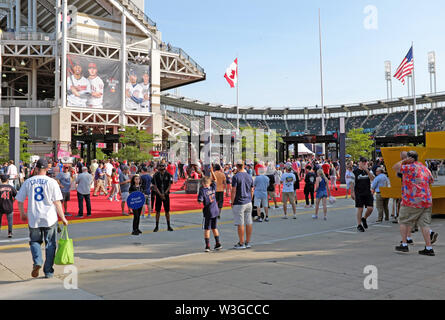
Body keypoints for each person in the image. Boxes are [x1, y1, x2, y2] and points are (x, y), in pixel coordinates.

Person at [16, 159, 68, 279]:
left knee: (34, 241)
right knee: (50, 244)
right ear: (46, 169)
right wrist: (63, 218)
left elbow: (19, 200)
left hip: (34, 217)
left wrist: (23, 213)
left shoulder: (29, 181)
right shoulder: (52, 182)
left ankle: (37, 261)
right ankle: (48, 271)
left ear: (36, 169)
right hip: (49, 217)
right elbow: (57, 202)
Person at [393, 151, 438, 256]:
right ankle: (428, 247)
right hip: (426, 200)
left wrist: (404, 161)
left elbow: (395, 167)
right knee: (424, 224)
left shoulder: (410, 167)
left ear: (410, 158)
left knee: (403, 221)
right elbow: (431, 180)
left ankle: (404, 244)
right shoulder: (424, 168)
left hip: (412, 200)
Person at [231, 160, 254, 249]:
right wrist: (250, 199)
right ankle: (248, 242)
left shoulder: (236, 177)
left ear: (236, 166)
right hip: (248, 201)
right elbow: (252, 189)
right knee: (248, 222)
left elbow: (234, 190)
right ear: (244, 165)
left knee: (240, 223)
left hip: (239, 202)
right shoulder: (249, 176)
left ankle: (241, 242)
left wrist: (232, 201)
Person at [198, 172, 222, 252]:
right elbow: (215, 179)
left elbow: (200, 200)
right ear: (210, 182)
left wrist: (200, 200)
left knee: (207, 229)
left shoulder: (202, 190)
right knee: (214, 227)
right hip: (215, 210)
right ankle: (218, 243)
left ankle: (207, 245)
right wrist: (212, 172)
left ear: (202, 183)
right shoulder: (212, 188)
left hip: (208, 211)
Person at [352, 157, 375, 232]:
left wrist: (367, 170)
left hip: (368, 192)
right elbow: (352, 183)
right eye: (363, 162)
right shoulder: (355, 172)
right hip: (359, 192)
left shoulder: (368, 171)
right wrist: (352, 192)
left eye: (365, 162)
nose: (364, 164)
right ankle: (359, 224)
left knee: (370, 208)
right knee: (360, 208)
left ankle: (364, 218)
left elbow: (373, 179)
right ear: (359, 163)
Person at [152, 163, 174, 232]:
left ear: (165, 167)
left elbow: (170, 185)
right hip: (158, 195)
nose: (161, 167)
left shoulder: (168, 175)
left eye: (162, 166)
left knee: (167, 211)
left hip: (166, 195)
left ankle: (168, 226)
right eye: (160, 166)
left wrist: (164, 193)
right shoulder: (155, 175)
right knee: (157, 211)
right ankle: (157, 226)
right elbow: (155, 186)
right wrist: (160, 194)